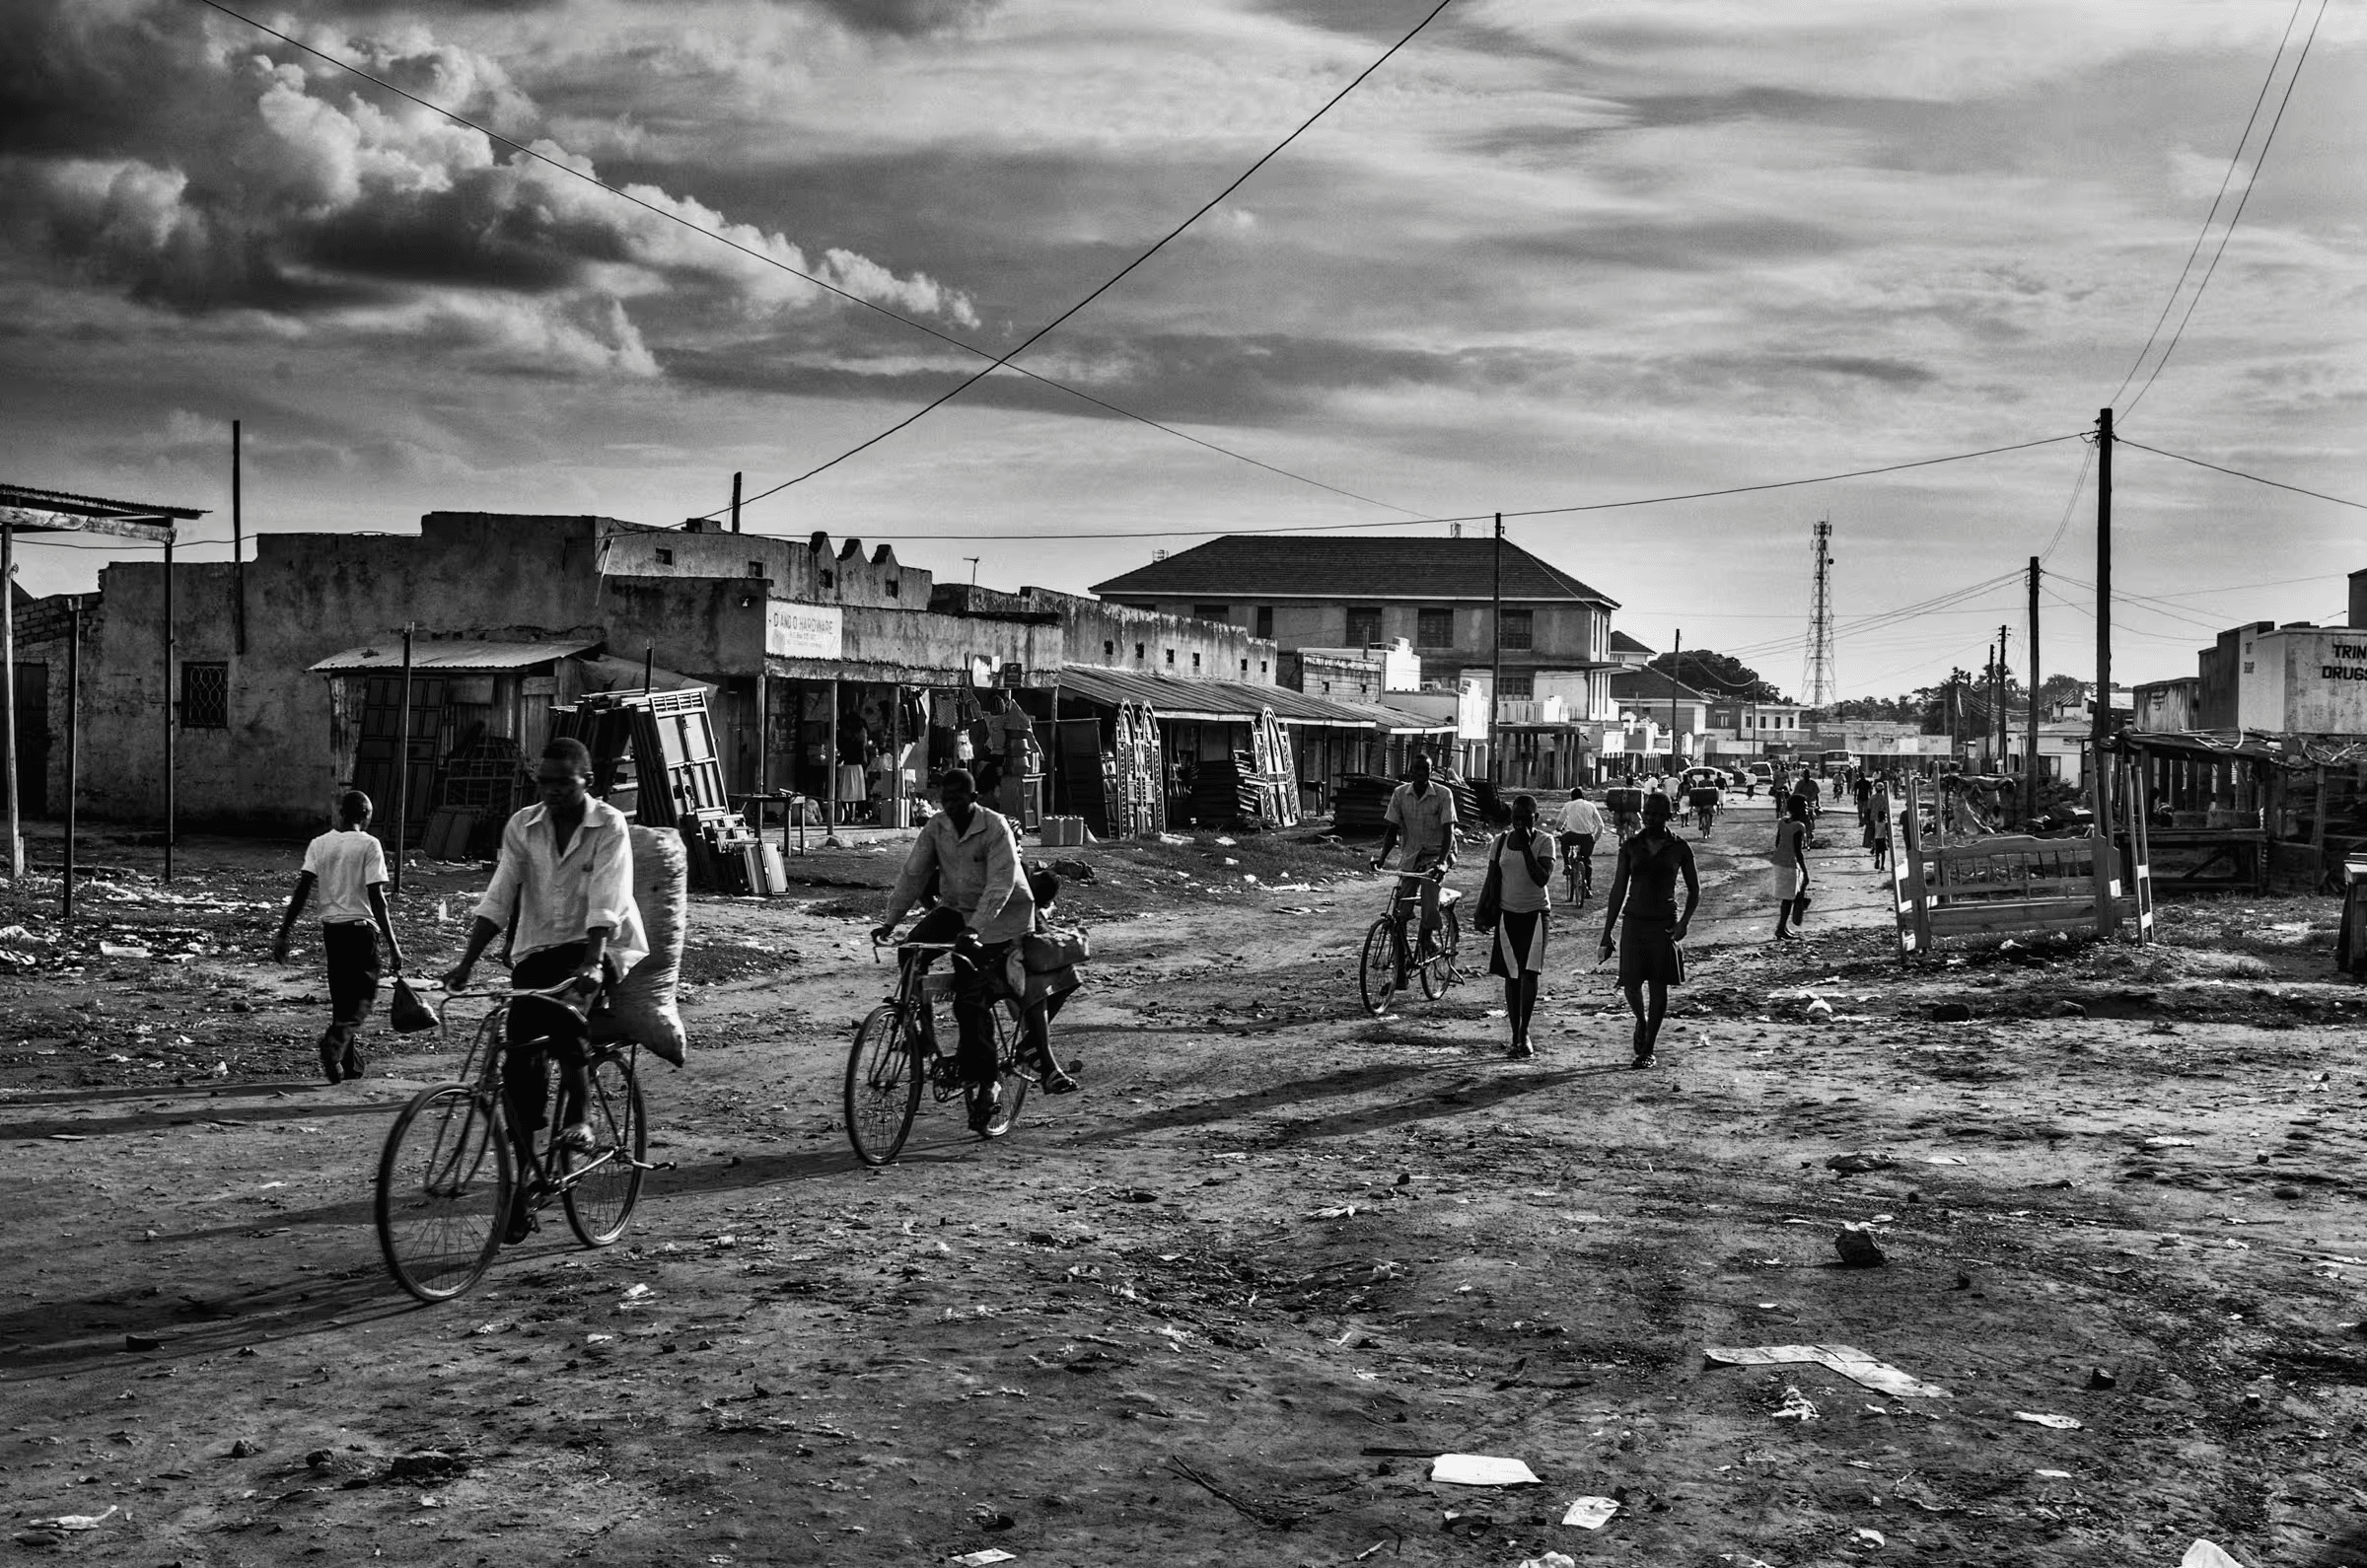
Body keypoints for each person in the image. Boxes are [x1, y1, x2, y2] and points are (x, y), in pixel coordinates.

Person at [444, 738, 647, 1243]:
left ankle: (582, 1116)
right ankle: (526, 1179)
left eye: (564, 782)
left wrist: (594, 964)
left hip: (598, 949)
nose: (553, 791)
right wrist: (466, 962)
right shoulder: (523, 825)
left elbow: (608, 896)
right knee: (518, 1064)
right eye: (545, 782)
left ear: (587, 782)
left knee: (564, 1013)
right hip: (536, 951)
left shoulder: (609, 825)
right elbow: (501, 892)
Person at [873, 768, 1042, 1129]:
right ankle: (919, 1029)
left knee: (970, 996)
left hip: (1002, 917)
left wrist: (975, 930)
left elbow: (1000, 885)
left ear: (973, 797)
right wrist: (890, 921)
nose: (949, 805)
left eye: (957, 799)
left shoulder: (995, 827)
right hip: (957, 908)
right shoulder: (937, 827)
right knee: (910, 951)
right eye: (945, 799)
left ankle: (988, 1081)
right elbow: (913, 873)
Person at [272, 789, 405, 1085]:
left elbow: (302, 889)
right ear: (366, 815)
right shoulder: (370, 845)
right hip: (361, 931)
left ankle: (348, 1064)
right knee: (362, 1000)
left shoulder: (320, 844)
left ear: (341, 814)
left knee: (342, 999)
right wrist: (394, 944)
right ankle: (333, 1045)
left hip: (332, 932)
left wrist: (284, 932)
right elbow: (377, 898)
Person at [1598, 792, 1699, 1068]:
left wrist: (1684, 923)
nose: (1652, 818)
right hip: (1634, 921)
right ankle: (1641, 1022)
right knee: (1630, 983)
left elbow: (1694, 890)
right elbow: (1618, 890)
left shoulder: (1680, 848)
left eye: (1658, 813)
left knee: (1658, 986)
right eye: (1649, 813)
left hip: (1664, 923)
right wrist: (1607, 932)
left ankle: (1648, 1049)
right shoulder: (1631, 846)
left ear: (1669, 815)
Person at [1488, 795, 1555, 1058]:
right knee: (1511, 976)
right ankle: (1515, 1032)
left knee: (1529, 974)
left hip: (1536, 914)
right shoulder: (1500, 841)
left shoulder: (1544, 841)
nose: (1519, 823)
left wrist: (1527, 847)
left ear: (1535, 819)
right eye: (1515, 817)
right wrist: (1484, 911)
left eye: (1525, 819)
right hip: (1507, 914)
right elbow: (1492, 878)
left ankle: (1523, 1033)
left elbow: (1541, 879)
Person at [1371, 750, 1458, 952]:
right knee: (1401, 909)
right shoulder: (1400, 794)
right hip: (1412, 854)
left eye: (1425, 770)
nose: (1421, 774)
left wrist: (1442, 862)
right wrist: (1381, 859)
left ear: (1430, 772)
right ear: (1410, 772)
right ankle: (1400, 966)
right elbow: (1392, 830)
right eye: (1416, 769)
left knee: (1429, 888)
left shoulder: (1443, 794)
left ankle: (1427, 938)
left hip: (1439, 852)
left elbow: (1449, 832)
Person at [1773, 792, 1812, 940]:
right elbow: (1798, 851)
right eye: (1804, 807)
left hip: (1779, 861)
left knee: (1789, 896)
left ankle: (1783, 927)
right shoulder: (1798, 826)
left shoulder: (1783, 822)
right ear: (1797, 809)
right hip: (1790, 864)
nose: (1806, 810)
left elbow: (1777, 843)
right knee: (1789, 898)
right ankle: (1781, 928)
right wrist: (1805, 871)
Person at [1555, 787, 1605, 896]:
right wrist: (1594, 838)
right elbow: (1600, 825)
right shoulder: (1591, 806)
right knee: (1586, 861)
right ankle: (1588, 888)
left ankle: (1567, 864)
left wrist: (1558, 830)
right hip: (1587, 838)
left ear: (1572, 797)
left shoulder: (1568, 805)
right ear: (1583, 796)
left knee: (1564, 841)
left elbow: (1560, 822)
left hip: (1572, 836)